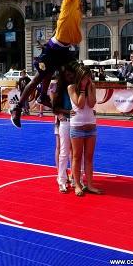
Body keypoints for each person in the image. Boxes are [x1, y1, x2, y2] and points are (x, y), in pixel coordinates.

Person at [10, 0, 82, 128]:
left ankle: (45, 98)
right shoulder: (69, 1)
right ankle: (17, 108)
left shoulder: (78, 10)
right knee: (38, 77)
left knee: (73, 73)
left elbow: (65, 32)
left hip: (63, 49)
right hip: (54, 49)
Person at [68, 65, 102, 196]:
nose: (86, 80)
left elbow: (92, 103)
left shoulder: (91, 86)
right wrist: (82, 90)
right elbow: (80, 104)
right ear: (79, 77)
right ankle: (77, 185)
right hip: (77, 127)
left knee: (89, 158)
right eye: (84, 77)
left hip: (91, 127)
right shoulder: (71, 88)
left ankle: (90, 185)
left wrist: (89, 88)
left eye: (88, 77)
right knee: (76, 157)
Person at [52, 64, 77, 193]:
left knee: (76, 153)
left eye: (72, 74)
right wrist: (64, 112)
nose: (70, 76)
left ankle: (74, 177)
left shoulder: (77, 87)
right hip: (66, 122)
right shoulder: (60, 89)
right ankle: (61, 179)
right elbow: (54, 107)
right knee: (64, 152)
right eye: (67, 75)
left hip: (76, 122)